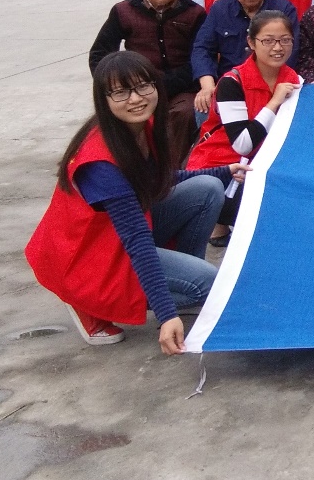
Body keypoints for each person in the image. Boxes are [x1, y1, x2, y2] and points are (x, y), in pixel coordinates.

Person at [25, 51, 243, 353]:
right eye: (121, 92)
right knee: (208, 282)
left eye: (143, 86)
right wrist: (166, 315)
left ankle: (181, 285)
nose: (136, 98)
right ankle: (84, 300)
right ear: (103, 99)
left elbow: (157, 178)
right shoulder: (100, 162)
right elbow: (137, 239)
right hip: (87, 258)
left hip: (112, 238)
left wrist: (222, 171)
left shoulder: (139, 126)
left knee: (207, 188)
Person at [188, 10, 305, 245]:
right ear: (251, 42)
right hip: (221, 167)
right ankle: (216, 221)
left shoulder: (293, 78)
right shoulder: (231, 83)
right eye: (268, 41)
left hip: (260, 164)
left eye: (285, 40)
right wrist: (274, 102)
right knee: (276, 213)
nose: (278, 47)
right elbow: (243, 144)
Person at [90, 0, 206, 168]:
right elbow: (99, 54)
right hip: (136, 86)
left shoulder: (194, 13)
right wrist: (116, 86)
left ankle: (169, 171)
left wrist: (163, 85)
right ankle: (125, 166)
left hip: (180, 88)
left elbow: (200, 57)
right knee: (116, 112)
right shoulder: (123, 11)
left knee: (184, 114)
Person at [191, 0, 299, 116]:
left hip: (272, 85)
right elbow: (203, 48)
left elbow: (292, 50)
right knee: (204, 106)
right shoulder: (220, 10)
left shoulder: (283, 8)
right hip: (230, 85)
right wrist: (207, 86)